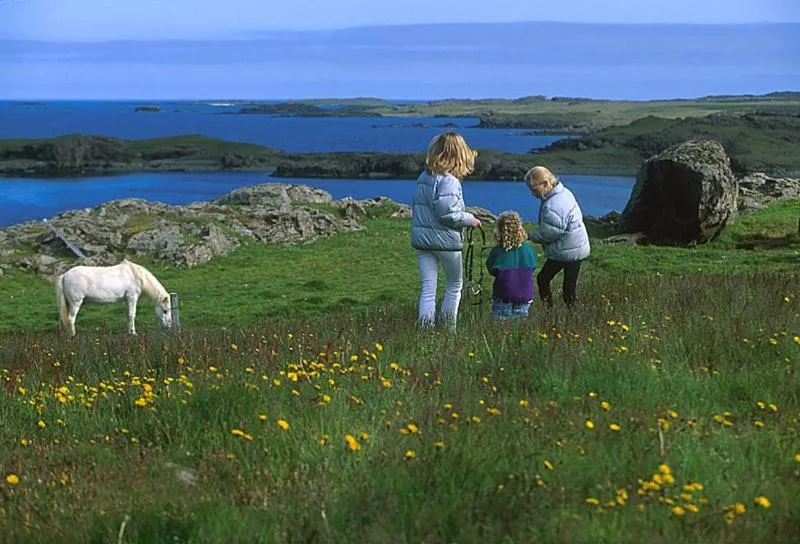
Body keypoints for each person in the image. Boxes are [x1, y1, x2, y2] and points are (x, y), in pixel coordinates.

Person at [411, 131, 481, 330]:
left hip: (423, 242)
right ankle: (448, 330)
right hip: (445, 243)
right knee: (454, 285)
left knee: (428, 288)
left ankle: (426, 331)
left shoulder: (424, 176)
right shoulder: (450, 181)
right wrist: (470, 219)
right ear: (459, 156)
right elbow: (447, 214)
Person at [524, 166, 590, 307]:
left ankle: (549, 311)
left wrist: (528, 235)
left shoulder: (553, 204)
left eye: (534, 189)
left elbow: (548, 234)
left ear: (546, 184)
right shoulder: (563, 192)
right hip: (577, 246)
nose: (532, 193)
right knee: (569, 286)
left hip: (566, 250)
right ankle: (572, 316)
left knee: (543, 279)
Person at [485, 211, 538, 320]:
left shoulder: (497, 251)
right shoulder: (528, 250)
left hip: (503, 294)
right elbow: (533, 267)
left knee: (500, 327)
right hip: (524, 295)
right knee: (519, 328)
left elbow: (491, 268)